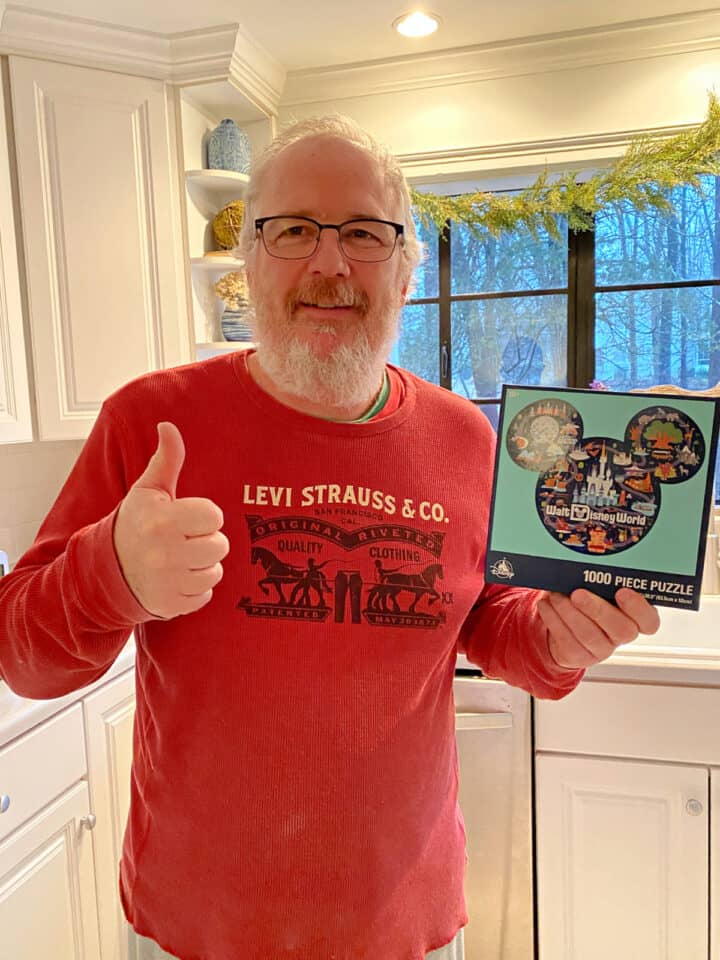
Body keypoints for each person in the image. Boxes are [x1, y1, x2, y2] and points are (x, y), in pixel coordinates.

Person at [0, 115, 660, 960]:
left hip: (406, 927)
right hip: (196, 930)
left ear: (408, 269)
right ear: (250, 260)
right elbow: (23, 654)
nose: (329, 263)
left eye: (362, 232)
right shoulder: (150, 420)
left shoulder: (467, 440)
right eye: (294, 230)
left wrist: (560, 638)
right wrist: (111, 573)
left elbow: (495, 623)